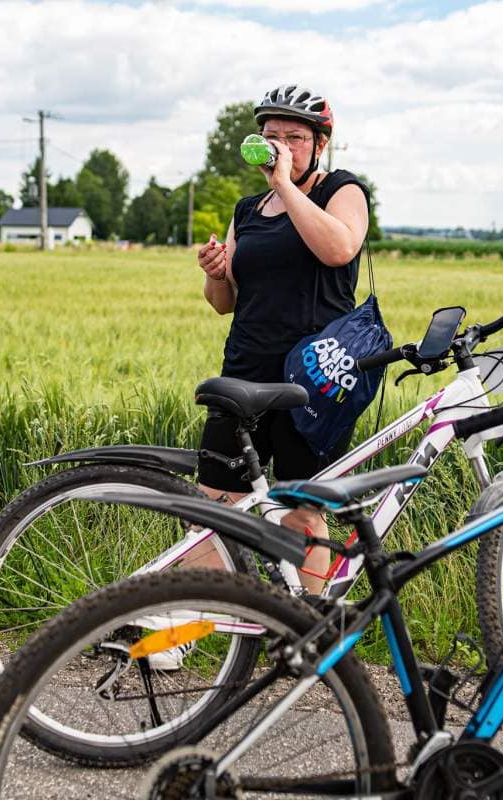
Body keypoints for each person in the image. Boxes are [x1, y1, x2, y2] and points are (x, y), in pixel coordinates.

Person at [196, 85, 370, 594]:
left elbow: (340, 248)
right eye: (271, 136)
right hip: (246, 371)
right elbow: (224, 301)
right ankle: (189, 626)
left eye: (295, 138)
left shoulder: (341, 189)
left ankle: (309, 627)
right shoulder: (248, 209)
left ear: (320, 144)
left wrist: (286, 185)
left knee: (302, 513)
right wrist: (214, 273)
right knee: (215, 507)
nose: (281, 146)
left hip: (315, 377)